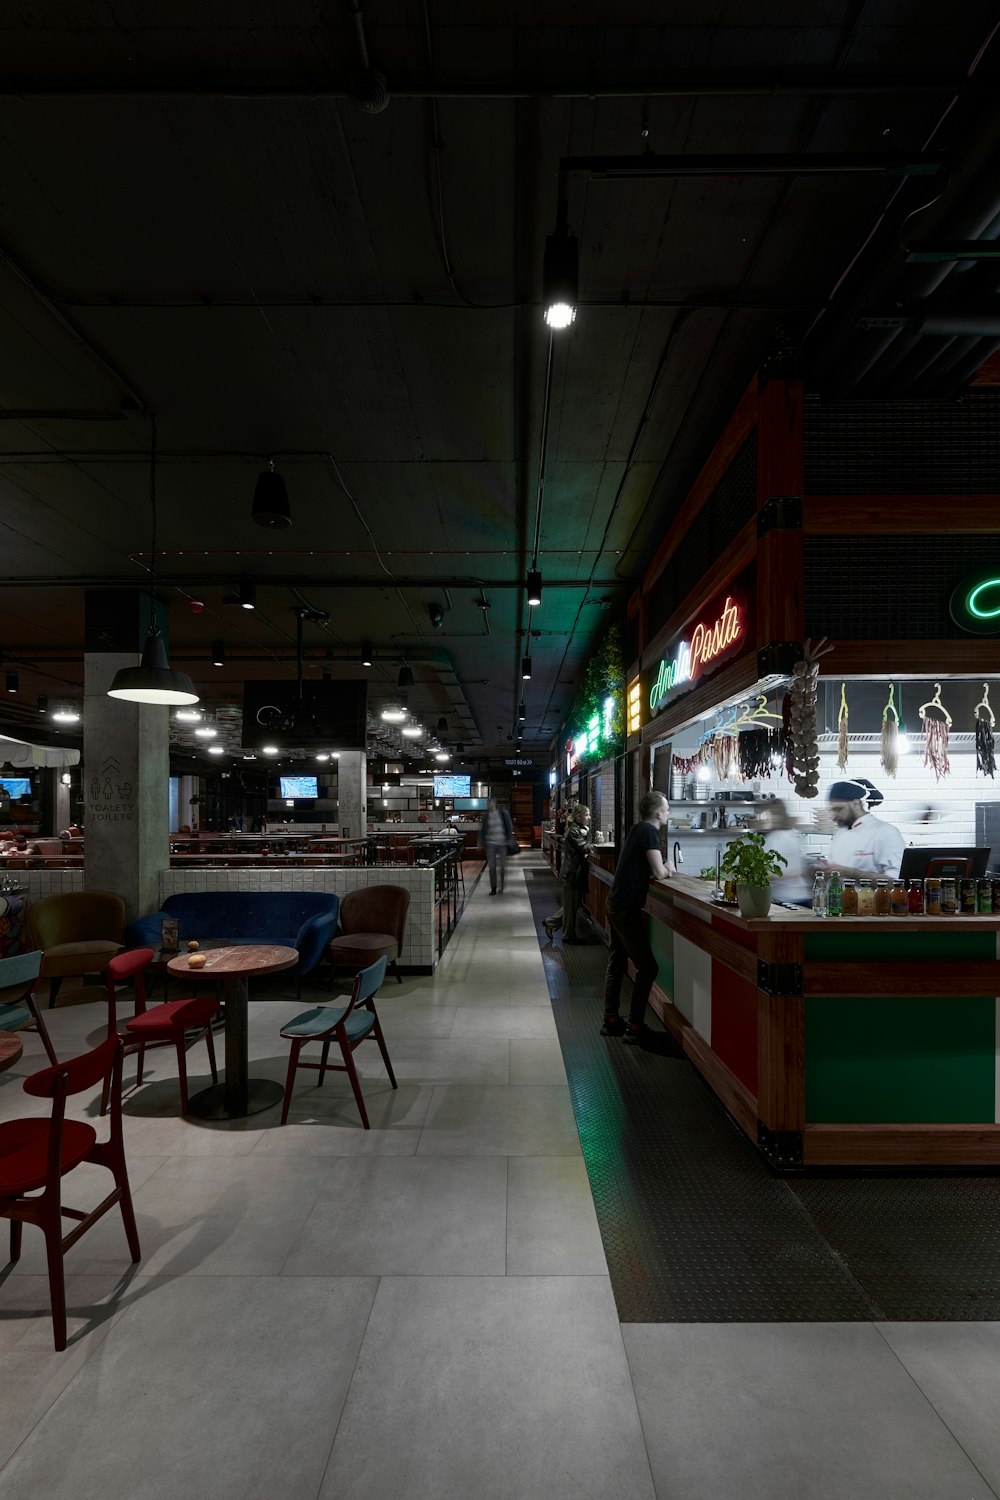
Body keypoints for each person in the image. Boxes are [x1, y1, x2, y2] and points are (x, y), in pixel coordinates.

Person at [602, 790, 674, 1043]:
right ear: (657, 812)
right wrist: (668, 867)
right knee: (648, 967)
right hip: (625, 907)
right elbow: (658, 871)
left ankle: (611, 1019)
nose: (669, 812)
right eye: (666, 808)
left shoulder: (636, 829)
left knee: (618, 960)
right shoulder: (649, 832)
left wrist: (662, 867)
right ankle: (635, 1026)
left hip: (615, 902)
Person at [817, 777, 904, 879]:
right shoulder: (839, 834)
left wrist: (852, 873)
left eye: (838, 809)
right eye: (831, 810)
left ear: (856, 804)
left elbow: (896, 882)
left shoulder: (886, 832)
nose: (833, 817)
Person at [543, 804, 592, 942]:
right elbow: (583, 847)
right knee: (571, 906)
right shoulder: (574, 831)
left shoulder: (578, 830)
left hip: (573, 873)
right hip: (571, 873)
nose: (588, 818)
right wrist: (594, 845)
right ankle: (568, 935)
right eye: (586, 815)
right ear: (578, 816)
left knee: (573, 905)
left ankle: (551, 923)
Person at [755, 799, 810, 903]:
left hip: (793, 897)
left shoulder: (785, 837)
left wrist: (769, 877)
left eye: (774, 814)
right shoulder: (772, 837)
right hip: (781, 897)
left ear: (782, 816)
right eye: (767, 815)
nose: (769, 818)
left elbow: (796, 871)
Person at [480, 795, 514, 894]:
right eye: (487, 803)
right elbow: (483, 830)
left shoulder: (503, 813)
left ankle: (502, 885)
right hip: (491, 843)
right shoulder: (486, 816)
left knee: (502, 866)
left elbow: (509, 826)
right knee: (492, 866)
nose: (488, 804)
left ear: (494, 803)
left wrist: (509, 839)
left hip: (502, 843)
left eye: (490, 802)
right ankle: (493, 887)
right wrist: (481, 842)